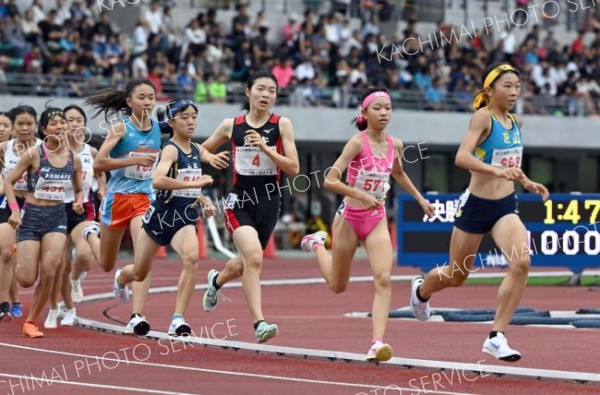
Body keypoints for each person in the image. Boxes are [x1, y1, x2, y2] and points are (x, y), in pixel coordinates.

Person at [408, 63, 549, 362]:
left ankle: (497, 336)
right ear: (490, 91)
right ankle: (421, 291)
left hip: (505, 207)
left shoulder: (516, 123)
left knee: (521, 262)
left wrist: (526, 181)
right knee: (456, 275)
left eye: (517, 86)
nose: (513, 92)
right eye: (507, 86)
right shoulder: (482, 118)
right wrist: (495, 171)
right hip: (476, 205)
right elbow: (462, 157)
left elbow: (511, 163)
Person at [301, 88, 434, 362]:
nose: (384, 113)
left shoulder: (395, 144)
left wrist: (421, 199)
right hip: (349, 217)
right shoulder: (356, 144)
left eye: (388, 108)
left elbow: (398, 173)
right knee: (338, 286)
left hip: (376, 220)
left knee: (383, 278)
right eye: (378, 108)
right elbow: (330, 180)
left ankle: (377, 343)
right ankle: (316, 244)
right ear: (364, 113)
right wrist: (361, 195)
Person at [201, 70, 300, 343]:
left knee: (246, 262)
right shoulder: (231, 124)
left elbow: (294, 168)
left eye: (272, 90)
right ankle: (259, 323)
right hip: (240, 201)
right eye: (260, 89)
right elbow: (200, 150)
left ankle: (216, 281)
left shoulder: (282, 124)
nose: (266, 95)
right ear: (248, 92)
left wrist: (267, 149)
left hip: (270, 201)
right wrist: (213, 157)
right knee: (255, 258)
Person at [114, 98, 216, 336]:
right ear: (171, 121)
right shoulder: (170, 148)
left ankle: (178, 319)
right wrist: (198, 183)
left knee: (191, 258)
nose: (190, 121)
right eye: (184, 117)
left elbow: (190, 183)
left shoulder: (197, 149)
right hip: (161, 216)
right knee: (139, 271)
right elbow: (158, 181)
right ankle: (122, 278)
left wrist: (204, 199)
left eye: (193, 116)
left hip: (185, 216)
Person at [82, 78, 162, 336]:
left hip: (144, 199)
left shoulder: (160, 128)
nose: (147, 102)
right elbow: (99, 164)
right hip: (117, 200)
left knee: (144, 257)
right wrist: (135, 158)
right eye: (141, 97)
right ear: (129, 101)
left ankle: (137, 316)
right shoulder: (120, 129)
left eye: (151, 97)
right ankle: (91, 236)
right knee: (106, 263)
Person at [4, 107, 84, 338]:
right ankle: (20, 252)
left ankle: (31, 322)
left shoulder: (73, 159)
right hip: (31, 217)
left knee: (50, 271)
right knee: (27, 279)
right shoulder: (34, 154)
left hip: (57, 218)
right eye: (54, 124)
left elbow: (79, 189)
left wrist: (78, 201)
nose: (60, 127)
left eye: (62, 123)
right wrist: (15, 211)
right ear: (44, 129)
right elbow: (9, 182)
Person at [45, 105, 107, 328]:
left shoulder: (90, 152)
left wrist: (102, 188)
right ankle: (65, 308)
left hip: (84, 208)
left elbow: (101, 172)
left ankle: (75, 279)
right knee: (59, 265)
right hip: (56, 208)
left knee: (84, 254)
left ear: (84, 124)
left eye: (78, 120)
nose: (74, 124)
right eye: (69, 120)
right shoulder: (53, 152)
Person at [0, 107, 42, 322]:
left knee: (40, 263)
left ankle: (52, 304)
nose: (25, 128)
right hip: (10, 202)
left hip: (38, 205)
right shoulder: (4, 148)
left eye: (29, 124)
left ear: (36, 125)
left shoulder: (44, 148)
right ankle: (4, 302)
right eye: (20, 124)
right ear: (14, 126)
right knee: (6, 253)